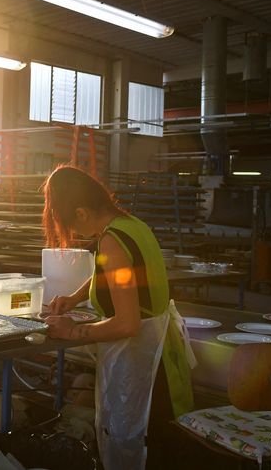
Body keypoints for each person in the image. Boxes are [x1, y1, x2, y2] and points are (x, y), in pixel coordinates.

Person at [42, 165, 193, 470]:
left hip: (144, 369)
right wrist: (74, 298)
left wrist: (73, 332)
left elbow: (127, 323)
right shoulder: (130, 225)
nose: (72, 232)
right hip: (160, 356)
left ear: (82, 212)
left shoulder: (111, 240)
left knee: (139, 448)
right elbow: (112, 274)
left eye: (70, 223)